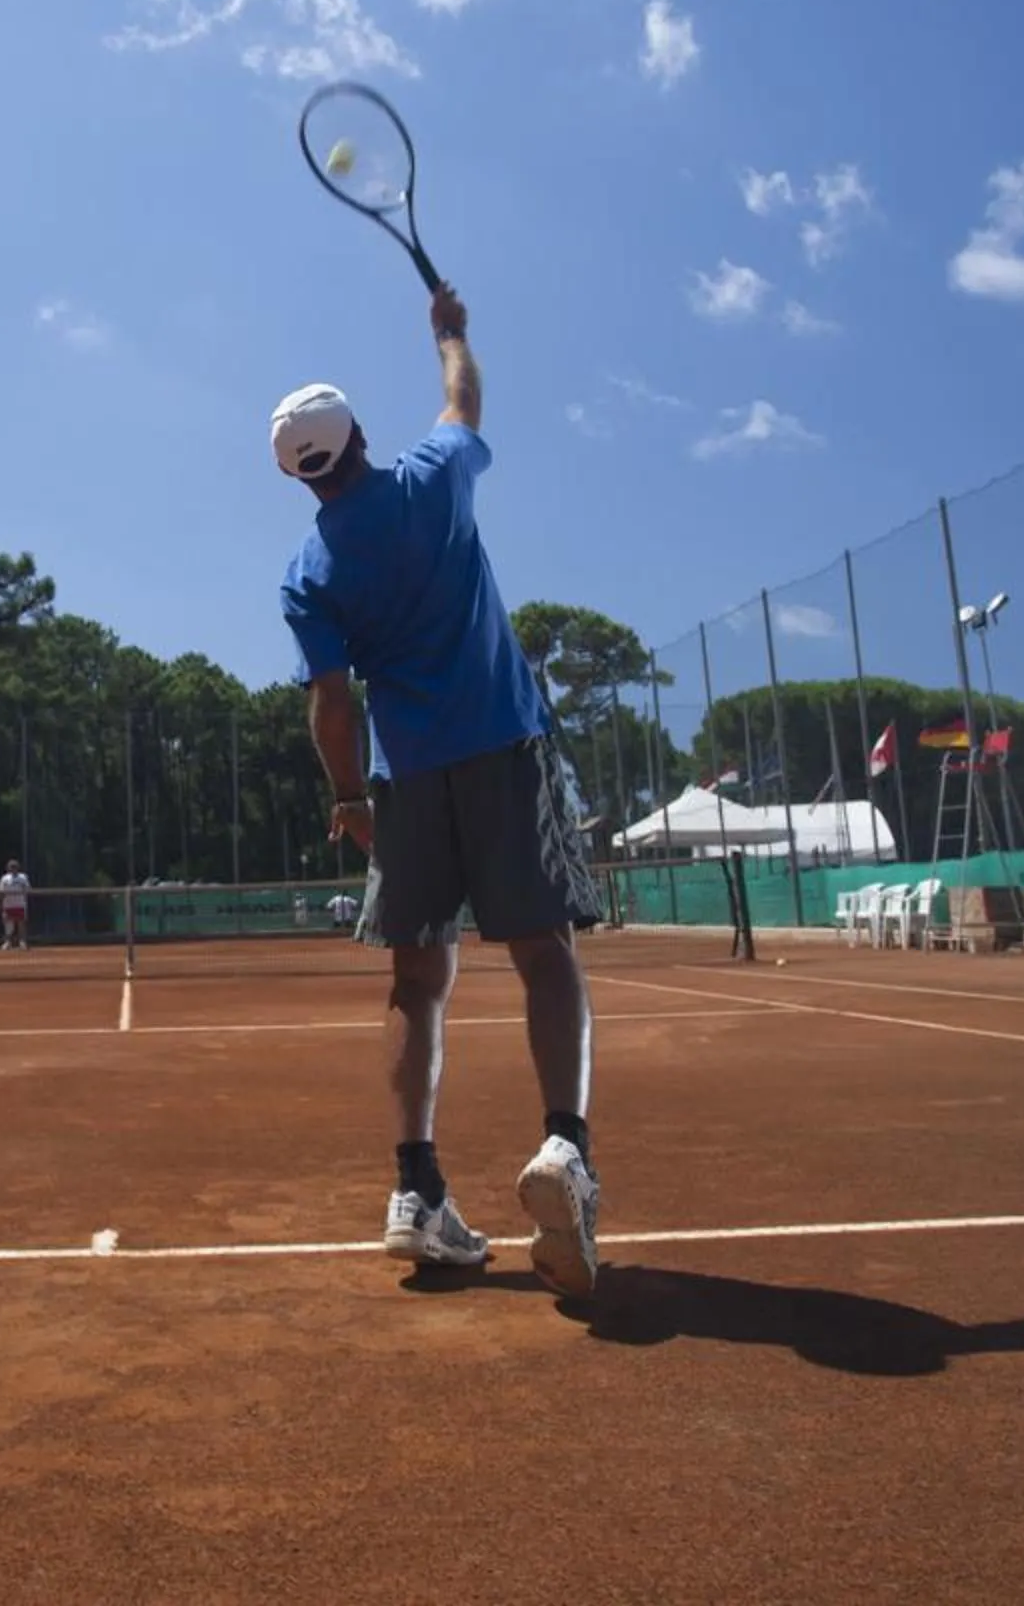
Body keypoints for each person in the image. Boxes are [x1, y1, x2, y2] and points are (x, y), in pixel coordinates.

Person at [270, 280, 605, 1296]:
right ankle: (563, 1150)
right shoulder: (432, 476)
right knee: (544, 955)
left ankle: (414, 1190)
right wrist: (449, 333)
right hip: (505, 748)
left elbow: (334, 702)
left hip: (404, 782)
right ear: (361, 434)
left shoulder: (307, 571)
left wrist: (352, 795)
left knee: (416, 982)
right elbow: (463, 401)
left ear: (299, 475)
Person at [0, 859, 31, 950]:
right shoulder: (4, 878)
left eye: (14, 866)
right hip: (8, 905)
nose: (13, 868)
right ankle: (8, 942)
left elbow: (27, 889)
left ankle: (22, 942)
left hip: (20, 904)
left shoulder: (23, 877)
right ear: (8, 868)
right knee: (8, 923)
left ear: (18, 867)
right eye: (11, 866)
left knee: (21, 923)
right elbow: (1, 892)